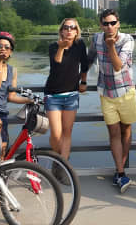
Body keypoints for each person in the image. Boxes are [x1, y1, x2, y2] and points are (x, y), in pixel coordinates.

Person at [87, 9, 136, 193]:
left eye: (112, 23)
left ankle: (121, 169)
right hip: (106, 91)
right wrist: (83, 78)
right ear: (101, 25)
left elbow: (118, 66)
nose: (109, 26)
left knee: (126, 130)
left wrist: (110, 47)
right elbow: (89, 58)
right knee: (114, 132)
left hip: (125, 91)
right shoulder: (96, 38)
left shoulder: (127, 40)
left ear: (118, 23)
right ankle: (120, 171)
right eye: (105, 23)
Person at [44, 18, 88, 183]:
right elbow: (56, 65)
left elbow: (84, 65)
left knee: (67, 133)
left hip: (71, 95)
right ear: (61, 30)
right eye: (66, 27)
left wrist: (83, 81)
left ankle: (62, 167)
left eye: (73, 28)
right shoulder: (54, 47)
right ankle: (57, 160)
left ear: (77, 31)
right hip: (53, 95)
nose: (69, 30)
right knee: (56, 134)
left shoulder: (80, 45)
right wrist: (61, 48)